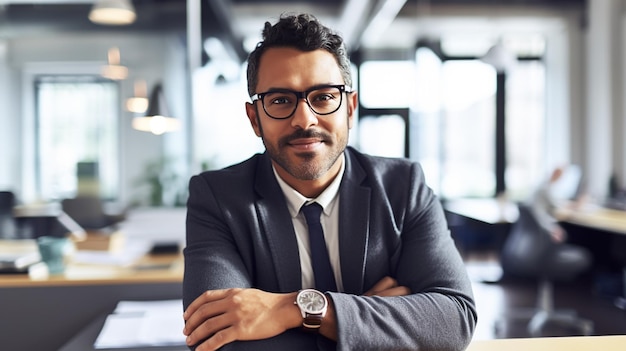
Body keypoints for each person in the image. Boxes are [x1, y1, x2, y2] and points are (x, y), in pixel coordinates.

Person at [182, 13, 477, 351]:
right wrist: (369, 319)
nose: (304, 119)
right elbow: (215, 340)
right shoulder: (217, 197)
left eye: (323, 97)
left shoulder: (403, 187)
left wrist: (294, 310)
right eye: (280, 100)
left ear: (350, 108)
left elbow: (454, 319)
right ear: (255, 119)